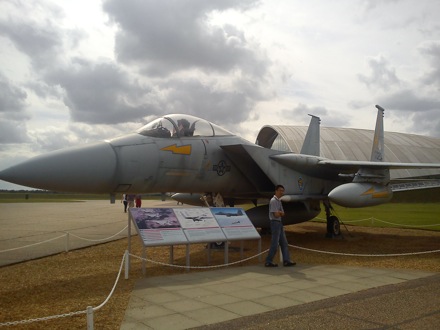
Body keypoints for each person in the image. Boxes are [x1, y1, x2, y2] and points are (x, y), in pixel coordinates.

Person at [265, 184, 296, 267]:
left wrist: (280, 213)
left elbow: (283, 213)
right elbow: (276, 214)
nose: (282, 192)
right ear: (276, 191)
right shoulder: (273, 201)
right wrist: (280, 213)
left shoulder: (279, 201)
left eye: (283, 191)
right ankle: (268, 261)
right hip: (275, 223)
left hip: (279, 223)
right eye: (280, 190)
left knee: (284, 243)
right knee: (275, 244)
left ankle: (286, 260)